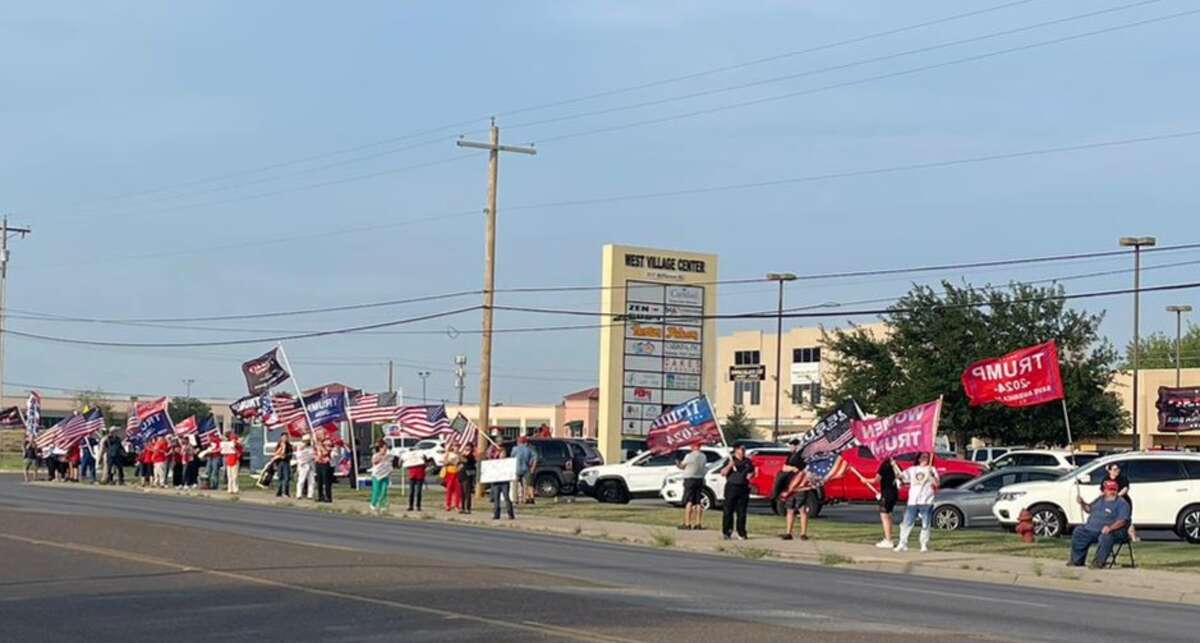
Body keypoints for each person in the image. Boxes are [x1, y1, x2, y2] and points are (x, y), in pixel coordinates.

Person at [1070, 479, 1131, 568]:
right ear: (1104, 490)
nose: (1112, 492)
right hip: (1091, 530)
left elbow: (1123, 521)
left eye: (1114, 489)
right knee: (1079, 531)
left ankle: (1098, 562)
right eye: (1110, 489)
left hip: (1114, 531)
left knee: (1106, 536)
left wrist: (1110, 528)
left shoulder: (1122, 503)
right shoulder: (1099, 499)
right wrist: (1082, 503)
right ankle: (1076, 561)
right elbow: (1088, 509)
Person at [895, 452, 939, 553]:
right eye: (923, 457)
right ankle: (902, 543)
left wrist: (932, 476)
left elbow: (937, 484)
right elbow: (903, 477)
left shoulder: (932, 469)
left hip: (927, 500)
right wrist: (898, 474)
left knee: (925, 524)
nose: (925, 459)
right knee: (907, 523)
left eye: (927, 457)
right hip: (913, 501)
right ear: (918, 459)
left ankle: (923, 544)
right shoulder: (912, 469)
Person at [857, 457, 901, 548]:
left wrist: (865, 480)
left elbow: (876, 480)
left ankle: (888, 540)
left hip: (886, 494)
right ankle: (888, 538)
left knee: (884, 516)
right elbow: (901, 477)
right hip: (894, 493)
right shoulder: (896, 466)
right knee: (889, 515)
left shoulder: (885, 465)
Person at [720, 445, 755, 540]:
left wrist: (751, 475)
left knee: (742, 512)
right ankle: (727, 532)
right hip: (732, 487)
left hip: (743, 488)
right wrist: (730, 465)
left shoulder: (747, 461)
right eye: (741, 449)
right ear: (736, 450)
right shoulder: (730, 460)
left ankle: (741, 532)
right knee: (728, 511)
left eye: (744, 449)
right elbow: (722, 473)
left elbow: (752, 472)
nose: (743, 451)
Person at [779, 439, 809, 541]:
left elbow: (802, 469)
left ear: (797, 446)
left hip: (801, 486)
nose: (790, 447)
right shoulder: (790, 456)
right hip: (790, 486)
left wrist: (791, 468)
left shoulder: (803, 456)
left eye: (792, 445)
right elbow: (784, 468)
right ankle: (788, 532)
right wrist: (791, 468)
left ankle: (803, 533)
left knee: (802, 509)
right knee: (790, 509)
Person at [677, 442, 708, 531]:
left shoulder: (689, 456)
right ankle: (698, 523)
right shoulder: (703, 456)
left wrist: (678, 464)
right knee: (698, 501)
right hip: (699, 478)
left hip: (690, 479)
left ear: (694, 446)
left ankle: (687, 523)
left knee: (689, 501)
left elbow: (682, 466)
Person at [1103, 462, 1137, 542]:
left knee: (1126, 520)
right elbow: (1102, 490)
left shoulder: (1122, 478)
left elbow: (1125, 489)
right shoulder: (1106, 479)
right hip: (1111, 503)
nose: (1117, 471)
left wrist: (1116, 496)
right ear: (1110, 471)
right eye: (1114, 469)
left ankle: (1134, 538)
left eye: (1118, 469)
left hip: (1123, 502)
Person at [487, 439, 514, 520]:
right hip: (496, 480)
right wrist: (492, 447)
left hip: (504, 481)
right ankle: (496, 514)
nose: (501, 454)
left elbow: (504, 455)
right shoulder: (493, 457)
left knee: (506, 497)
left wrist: (501, 452)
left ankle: (510, 514)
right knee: (496, 498)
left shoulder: (506, 456)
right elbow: (488, 454)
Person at [511, 435, 538, 505]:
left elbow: (512, 457)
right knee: (525, 485)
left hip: (516, 469)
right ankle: (525, 499)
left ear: (518, 442)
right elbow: (535, 457)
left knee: (515, 485)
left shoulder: (515, 449)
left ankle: (515, 499)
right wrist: (532, 467)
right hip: (526, 468)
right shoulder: (528, 449)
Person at [369, 439, 392, 514]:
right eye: (384, 448)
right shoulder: (376, 455)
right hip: (376, 476)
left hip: (385, 475)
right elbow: (374, 462)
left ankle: (383, 506)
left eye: (386, 449)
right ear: (380, 448)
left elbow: (390, 464)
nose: (385, 450)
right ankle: (373, 504)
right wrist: (381, 458)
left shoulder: (388, 456)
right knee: (376, 491)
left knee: (384, 491)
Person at [294, 434, 315, 500]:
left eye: (308, 441)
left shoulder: (311, 447)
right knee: (301, 480)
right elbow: (299, 456)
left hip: (310, 465)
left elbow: (313, 455)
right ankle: (299, 494)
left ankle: (310, 495)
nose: (306, 442)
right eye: (305, 441)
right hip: (303, 466)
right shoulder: (300, 447)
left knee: (311, 481)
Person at [314, 435, 335, 503]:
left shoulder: (328, 442)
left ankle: (328, 497)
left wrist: (321, 447)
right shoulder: (316, 444)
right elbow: (314, 453)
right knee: (319, 481)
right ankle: (320, 496)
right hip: (318, 463)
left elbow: (326, 452)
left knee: (326, 481)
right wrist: (316, 457)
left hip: (325, 463)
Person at [458, 447, 477, 514]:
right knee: (462, 493)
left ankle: (468, 508)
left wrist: (459, 454)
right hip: (461, 476)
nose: (466, 450)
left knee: (467, 493)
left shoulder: (470, 456)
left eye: (468, 448)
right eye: (465, 448)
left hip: (467, 477)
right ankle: (462, 507)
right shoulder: (462, 456)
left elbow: (465, 460)